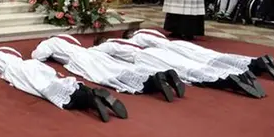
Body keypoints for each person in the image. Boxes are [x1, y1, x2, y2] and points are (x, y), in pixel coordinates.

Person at [0, 44, 127, 122]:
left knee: (49, 90)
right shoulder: (11, 52)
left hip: (20, 72)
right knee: (60, 82)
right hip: (33, 64)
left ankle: (91, 99)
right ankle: (91, 92)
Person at [93, 36, 263, 98]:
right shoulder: (133, 40)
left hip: (146, 58)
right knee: (191, 65)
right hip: (156, 52)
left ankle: (227, 81)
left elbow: (94, 53)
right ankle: (235, 73)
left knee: (187, 73)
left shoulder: (108, 45)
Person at [31, 33, 179, 102]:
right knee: (116, 66)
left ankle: (150, 84)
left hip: (81, 59)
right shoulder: (67, 38)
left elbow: (38, 56)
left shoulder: (49, 43)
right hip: (90, 53)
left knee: (107, 75)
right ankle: (157, 77)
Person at [123, 28, 274, 82]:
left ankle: (246, 69)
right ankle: (253, 62)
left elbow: (141, 47)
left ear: (130, 36)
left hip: (173, 50)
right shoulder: (149, 30)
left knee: (204, 61)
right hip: (179, 44)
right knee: (211, 54)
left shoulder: (137, 37)